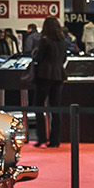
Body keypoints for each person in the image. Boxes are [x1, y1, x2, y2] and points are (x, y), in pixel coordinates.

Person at [30, 16, 70, 147]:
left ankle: (42, 137)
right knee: (55, 108)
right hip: (59, 76)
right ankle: (55, 140)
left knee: (39, 106)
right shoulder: (63, 42)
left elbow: (38, 58)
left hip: (44, 76)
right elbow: (64, 59)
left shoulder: (45, 41)